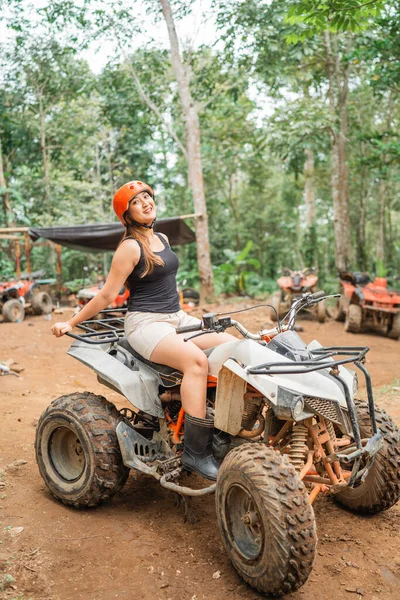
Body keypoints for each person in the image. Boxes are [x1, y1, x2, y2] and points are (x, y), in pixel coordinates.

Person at [51, 180, 236, 481]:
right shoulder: (129, 247)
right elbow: (106, 295)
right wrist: (71, 322)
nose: (146, 202)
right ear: (127, 214)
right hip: (145, 323)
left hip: (175, 317)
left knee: (232, 345)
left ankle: (223, 424)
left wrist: (183, 314)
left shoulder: (161, 237)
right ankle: (195, 452)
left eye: (147, 196)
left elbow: (166, 285)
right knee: (196, 362)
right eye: (136, 201)